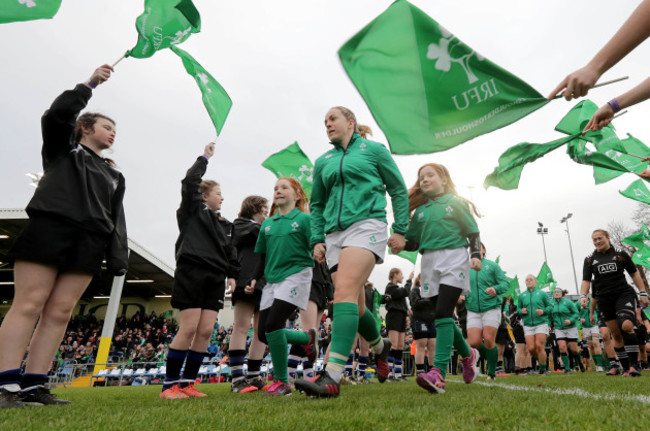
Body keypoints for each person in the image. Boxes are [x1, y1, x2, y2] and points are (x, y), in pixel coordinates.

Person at [0, 65, 127, 408]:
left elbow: (117, 218)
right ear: (84, 128)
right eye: (106, 126)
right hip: (51, 228)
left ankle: (34, 386)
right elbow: (55, 115)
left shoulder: (115, 174)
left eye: (115, 129)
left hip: (89, 241)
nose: (112, 133)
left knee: (60, 312)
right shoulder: (63, 151)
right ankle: (5, 387)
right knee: (29, 303)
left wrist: (118, 256)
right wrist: (88, 85)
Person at [295, 108, 408, 398]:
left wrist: (400, 229)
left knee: (342, 293)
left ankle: (331, 375)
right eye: (324, 122)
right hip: (333, 234)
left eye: (332, 119)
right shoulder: (323, 162)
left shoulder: (374, 151)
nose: (327, 124)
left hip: (367, 224)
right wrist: (317, 239)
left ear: (350, 123)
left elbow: (397, 189)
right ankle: (381, 349)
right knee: (355, 308)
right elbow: (317, 204)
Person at [160, 143, 240, 400]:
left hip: (215, 276)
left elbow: (230, 251)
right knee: (190, 327)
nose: (223, 197)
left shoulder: (224, 224)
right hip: (192, 270)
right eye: (219, 193)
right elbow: (189, 181)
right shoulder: (193, 209)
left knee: (206, 330)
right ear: (204, 196)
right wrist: (205, 157)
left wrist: (232, 274)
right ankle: (169, 385)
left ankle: (187, 383)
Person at [399, 163, 481, 394]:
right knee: (441, 315)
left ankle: (439, 374)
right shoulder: (421, 211)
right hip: (429, 262)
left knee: (444, 312)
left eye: (429, 175)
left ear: (444, 179)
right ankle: (468, 355)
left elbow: (472, 230)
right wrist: (399, 243)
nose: (424, 180)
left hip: (454, 256)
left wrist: (475, 255)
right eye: (421, 177)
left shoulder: (456, 203)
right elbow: (413, 242)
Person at [249, 178, 317, 396]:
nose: (278, 191)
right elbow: (261, 257)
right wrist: (254, 278)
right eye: (275, 188)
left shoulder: (305, 219)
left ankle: (282, 382)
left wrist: (319, 250)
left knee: (274, 324)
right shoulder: (267, 225)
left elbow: (317, 242)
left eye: (284, 188)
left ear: (297, 196)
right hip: (272, 280)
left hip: (297, 275)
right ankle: (307, 339)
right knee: (262, 333)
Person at [581, 229, 649, 377]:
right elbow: (586, 281)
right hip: (604, 299)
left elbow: (634, 274)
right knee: (616, 334)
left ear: (607, 238)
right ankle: (624, 368)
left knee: (626, 325)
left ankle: (634, 366)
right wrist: (583, 296)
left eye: (600, 238)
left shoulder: (620, 254)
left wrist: (642, 292)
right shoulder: (589, 259)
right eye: (594, 239)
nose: (597, 241)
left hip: (623, 294)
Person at [228, 196, 269, 393]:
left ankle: (254, 376)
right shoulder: (241, 225)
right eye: (264, 208)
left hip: (264, 282)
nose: (266, 212)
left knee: (261, 332)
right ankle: (237, 378)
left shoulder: (262, 228)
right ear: (254, 208)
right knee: (241, 327)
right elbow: (258, 232)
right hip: (245, 278)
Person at [466, 243, 508, 380]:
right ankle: (488, 357)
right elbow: (460, 286)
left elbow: (505, 284)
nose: (474, 250)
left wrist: (495, 289)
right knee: (473, 342)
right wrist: (460, 295)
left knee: (489, 338)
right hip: (472, 309)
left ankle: (491, 372)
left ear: (484, 250)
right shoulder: (465, 268)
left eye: (478, 247)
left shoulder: (492, 266)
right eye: (472, 248)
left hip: (491, 307)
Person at [518, 275, 553, 375]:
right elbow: (518, 309)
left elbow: (551, 306)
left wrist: (543, 311)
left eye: (531, 280)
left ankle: (542, 370)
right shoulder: (522, 295)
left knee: (539, 346)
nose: (528, 281)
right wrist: (521, 311)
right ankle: (540, 361)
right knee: (531, 348)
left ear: (535, 282)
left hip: (541, 323)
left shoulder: (542, 294)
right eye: (527, 280)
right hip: (528, 325)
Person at [384, 268, 413, 381]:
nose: (402, 276)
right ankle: (389, 374)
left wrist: (407, 310)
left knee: (400, 346)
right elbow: (405, 292)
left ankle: (398, 374)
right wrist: (409, 280)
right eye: (401, 274)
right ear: (395, 275)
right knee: (394, 345)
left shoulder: (397, 289)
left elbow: (403, 299)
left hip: (401, 316)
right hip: (393, 316)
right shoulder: (390, 287)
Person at [550, 287, 583, 373]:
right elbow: (549, 317)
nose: (556, 293)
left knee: (574, 350)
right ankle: (567, 369)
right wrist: (549, 325)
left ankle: (579, 362)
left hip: (571, 328)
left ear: (562, 293)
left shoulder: (568, 302)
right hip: (558, 328)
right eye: (555, 292)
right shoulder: (551, 304)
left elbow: (576, 314)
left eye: (558, 292)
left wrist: (570, 320)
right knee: (562, 347)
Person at [409, 274, 436, 376]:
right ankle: (420, 371)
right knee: (421, 344)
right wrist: (428, 300)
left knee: (432, 345)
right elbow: (415, 303)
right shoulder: (415, 290)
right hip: (419, 320)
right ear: (419, 280)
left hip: (431, 320)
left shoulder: (432, 291)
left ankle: (432, 371)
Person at [580, 297, 605, 372]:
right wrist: (579, 319)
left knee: (596, 343)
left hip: (594, 325)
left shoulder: (594, 301)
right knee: (591, 346)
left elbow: (599, 311)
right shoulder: (578, 303)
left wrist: (599, 320)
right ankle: (597, 365)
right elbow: (575, 313)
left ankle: (600, 365)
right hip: (585, 326)